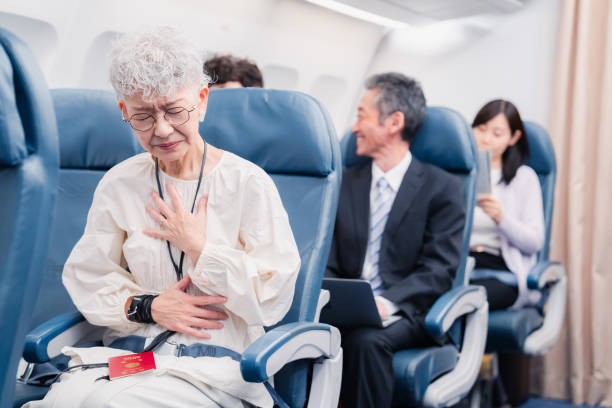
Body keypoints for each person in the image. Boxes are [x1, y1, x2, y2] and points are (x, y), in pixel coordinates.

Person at [26, 27, 299, 408]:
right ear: (124, 112)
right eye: (143, 116)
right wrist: (148, 306)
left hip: (217, 366)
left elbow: (273, 297)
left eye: (174, 110)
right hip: (134, 356)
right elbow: (89, 274)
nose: (162, 129)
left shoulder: (248, 183)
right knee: (58, 403)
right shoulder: (120, 183)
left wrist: (201, 249)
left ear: (202, 100)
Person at [326, 72, 465, 408]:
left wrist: (385, 303)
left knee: (365, 341)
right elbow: (327, 257)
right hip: (348, 308)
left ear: (394, 122)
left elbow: (438, 270)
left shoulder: (442, 187)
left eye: (361, 115)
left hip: (408, 311)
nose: (354, 127)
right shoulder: (345, 183)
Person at [469, 99, 545, 310]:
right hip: (461, 269)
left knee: (465, 303)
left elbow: (534, 241)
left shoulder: (524, 178)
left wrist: (501, 218)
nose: (485, 139)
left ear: (513, 137)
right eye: (481, 129)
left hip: (501, 273)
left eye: (497, 133)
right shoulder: (461, 176)